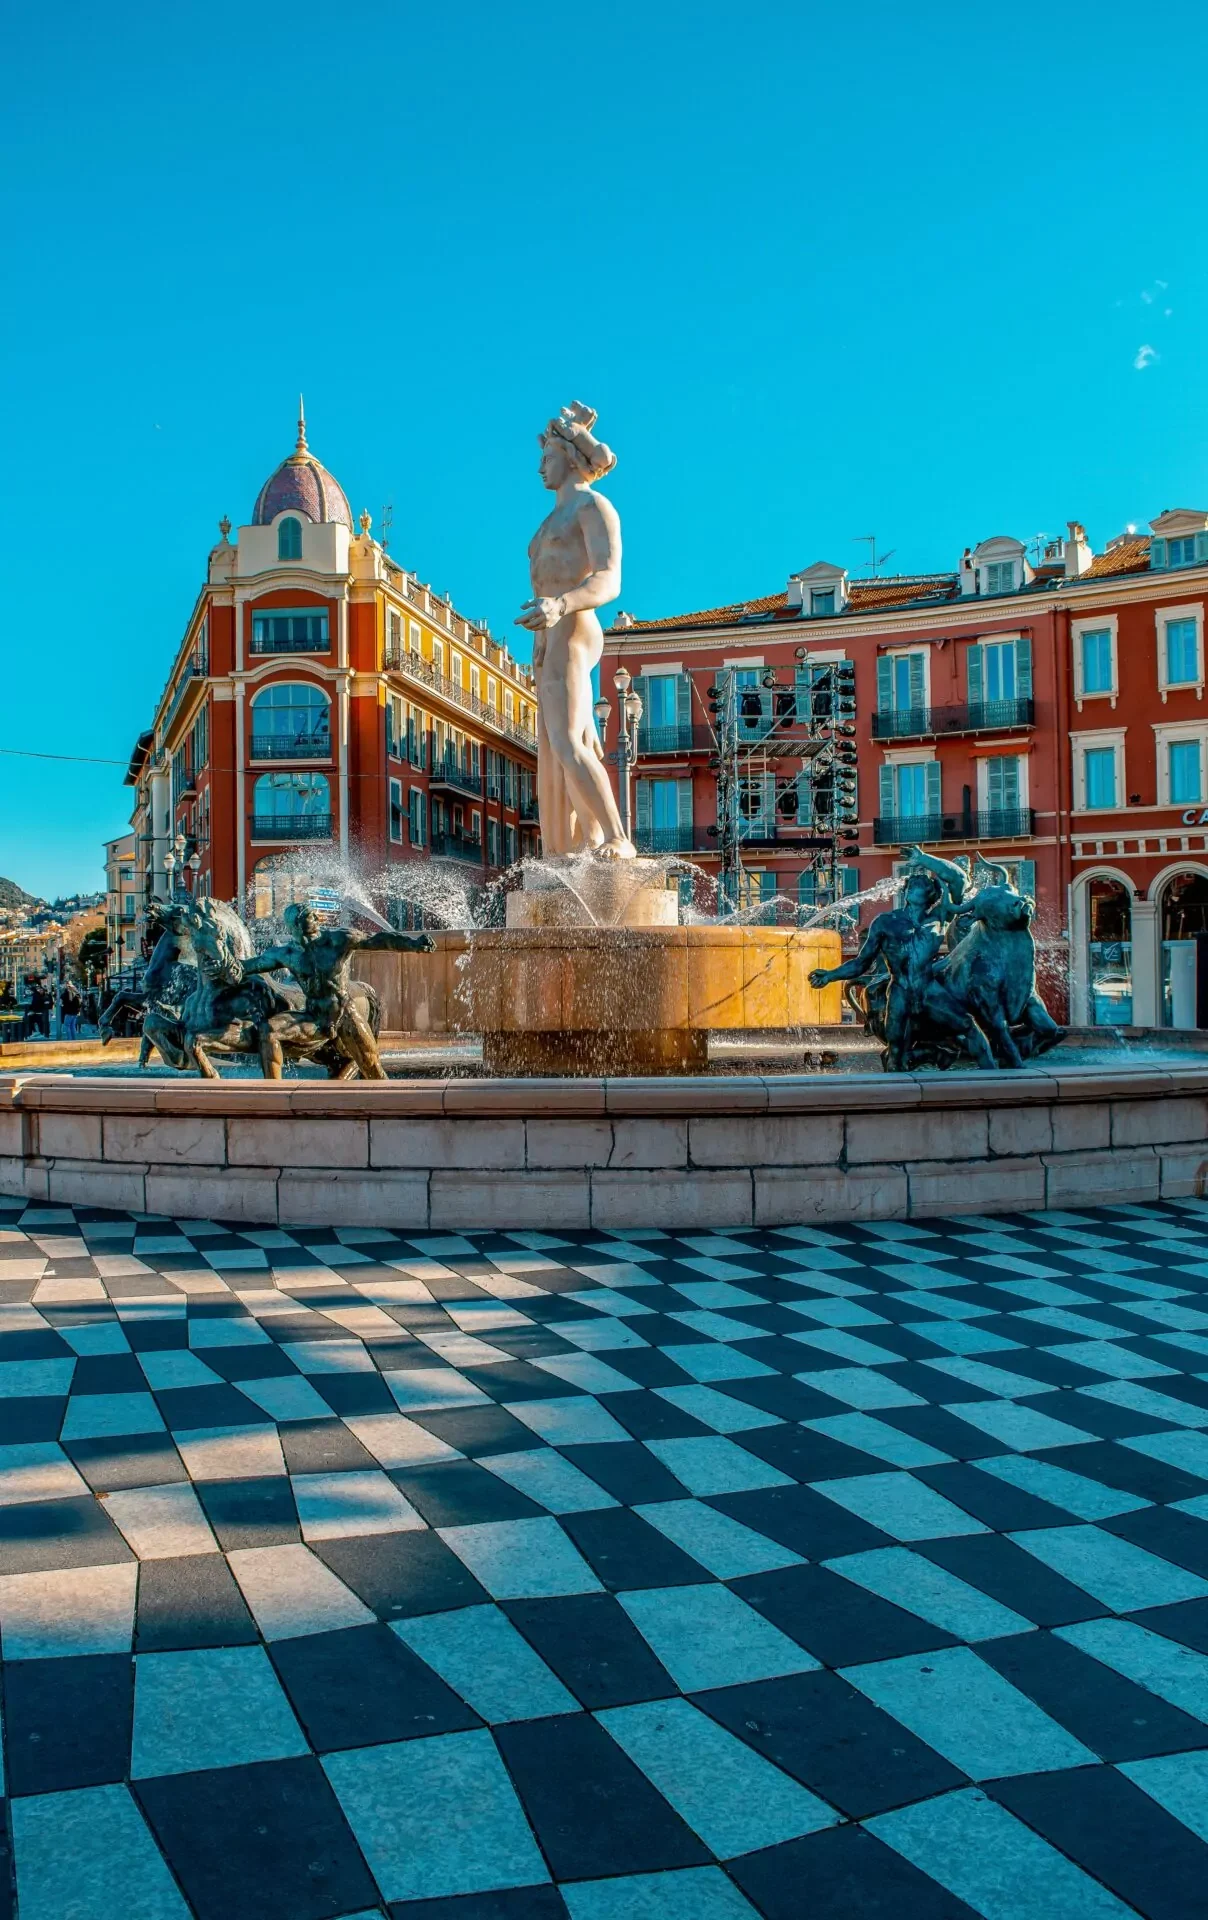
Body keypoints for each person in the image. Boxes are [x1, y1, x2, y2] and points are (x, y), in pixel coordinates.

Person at [515, 402, 634, 859]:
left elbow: (609, 578)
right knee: (558, 749)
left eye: (547, 457)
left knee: (566, 741)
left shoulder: (593, 506)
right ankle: (578, 844)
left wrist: (560, 604)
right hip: (548, 634)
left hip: (574, 623)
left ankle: (617, 837)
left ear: (569, 458)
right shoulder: (549, 521)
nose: (539, 466)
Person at [809, 867, 995, 1071]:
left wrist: (928, 863)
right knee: (896, 1050)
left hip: (929, 990)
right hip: (900, 992)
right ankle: (905, 1079)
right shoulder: (885, 922)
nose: (914, 884)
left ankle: (995, 1077)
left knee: (969, 1028)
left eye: (921, 883)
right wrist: (830, 975)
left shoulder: (939, 918)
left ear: (931, 894)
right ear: (906, 892)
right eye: (911, 884)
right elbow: (861, 962)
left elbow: (959, 881)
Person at [241, 905, 435, 1080]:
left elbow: (378, 940)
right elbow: (249, 966)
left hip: (344, 1014)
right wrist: (226, 965)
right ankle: (274, 1093)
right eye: (303, 916)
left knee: (372, 1069)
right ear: (292, 927)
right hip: (314, 1016)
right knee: (268, 1030)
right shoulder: (287, 954)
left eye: (311, 915)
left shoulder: (338, 940)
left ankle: (391, 1102)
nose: (311, 918)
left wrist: (413, 944)